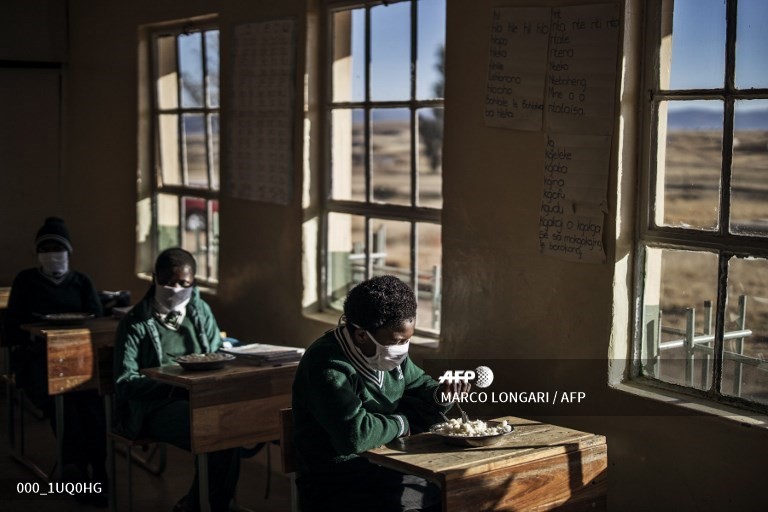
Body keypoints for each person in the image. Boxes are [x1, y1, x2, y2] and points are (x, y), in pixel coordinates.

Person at [292, 274, 469, 512]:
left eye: (407, 340)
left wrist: (442, 393)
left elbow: (419, 384)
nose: (402, 349)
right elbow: (356, 435)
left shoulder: (388, 355)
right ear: (361, 335)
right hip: (336, 479)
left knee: (454, 492)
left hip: (385, 464)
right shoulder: (327, 365)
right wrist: (402, 423)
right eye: (397, 341)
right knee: (426, 500)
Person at [113, 247, 240, 512]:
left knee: (231, 429)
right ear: (154, 279)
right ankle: (202, 504)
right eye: (168, 282)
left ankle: (203, 503)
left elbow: (217, 353)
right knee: (214, 431)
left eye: (184, 283)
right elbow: (124, 381)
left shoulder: (200, 312)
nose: (176, 289)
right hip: (155, 406)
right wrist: (169, 386)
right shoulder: (136, 322)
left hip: (200, 399)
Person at [3, 216, 107, 505]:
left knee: (94, 406)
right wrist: (37, 335)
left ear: (69, 252)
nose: (52, 254)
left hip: (79, 360)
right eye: (45, 249)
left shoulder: (81, 282)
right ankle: (76, 470)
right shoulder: (26, 281)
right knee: (66, 408)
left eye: (57, 248)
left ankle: (99, 470)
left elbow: (97, 321)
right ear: (37, 254)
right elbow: (11, 328)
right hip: (38, 361)